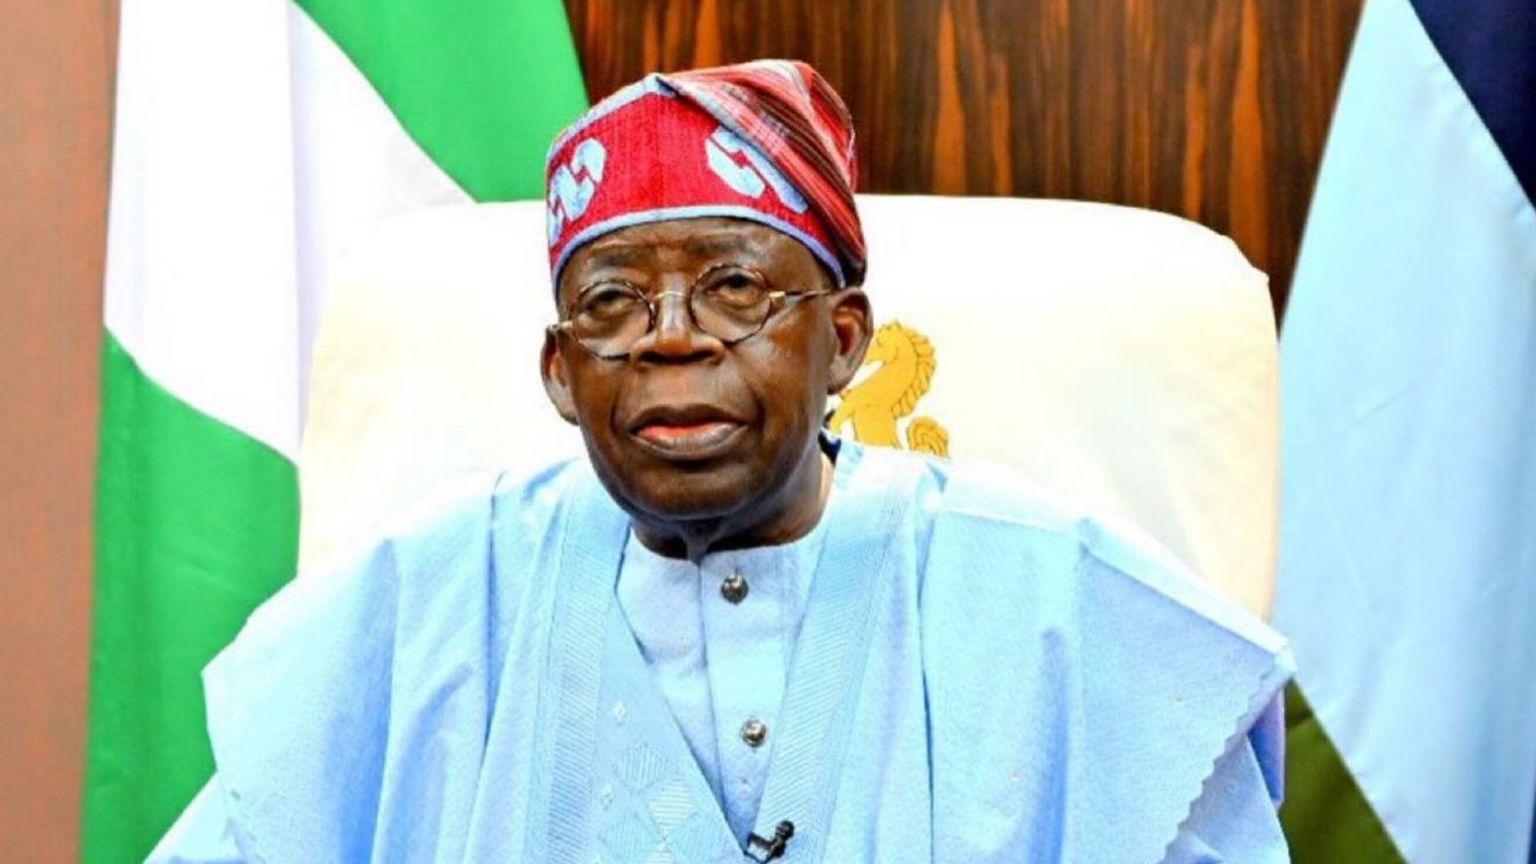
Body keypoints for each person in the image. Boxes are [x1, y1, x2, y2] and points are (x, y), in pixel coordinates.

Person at [150, 60, 1292, 863]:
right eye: (613, 301)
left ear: (843, 341)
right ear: (559, 372)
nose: (672, 335)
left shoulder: (1064, 613)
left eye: (736, 286)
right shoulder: (411, 617)